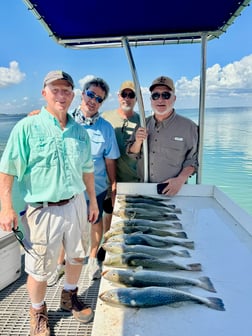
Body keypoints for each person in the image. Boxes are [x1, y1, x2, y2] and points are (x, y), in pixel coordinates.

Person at [0, 70, 99, 336]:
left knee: (77, 255)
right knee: (40, 268)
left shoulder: (80, 132)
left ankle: (69, 295)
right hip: (43, 210)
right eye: (55, 89)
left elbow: (87, 169)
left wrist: (92, 202)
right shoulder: (27, 127)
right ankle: (38, 311)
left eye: (66, 90)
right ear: (44, 93)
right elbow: (7, 169)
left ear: (73, 95)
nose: (61, 95)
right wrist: (6, 206)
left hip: (77, 203)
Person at [72, 76, 120, 280]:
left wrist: (113, 185)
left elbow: (110, 161)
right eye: (90, 94)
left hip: (97, 187)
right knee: (69, 227)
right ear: (82, 94)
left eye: (99, 99)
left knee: (95, 222)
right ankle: (60, 264)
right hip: (67, 189)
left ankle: (92, 260)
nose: (93, 100)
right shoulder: (64, 120)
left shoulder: (106, 128)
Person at [126, 75, 198, 195]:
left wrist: (180, 180)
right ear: (151, 100)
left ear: (174, 98)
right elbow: (132, 155)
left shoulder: (189, 127)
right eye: (156, 95)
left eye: (166, 95)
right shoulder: (143, 124)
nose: (160, 100)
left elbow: (193, 161)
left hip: (174, 191)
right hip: (144, 190)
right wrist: (138, 142)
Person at [101, 80, 140, 234]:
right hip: (108, 180)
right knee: (109, 214)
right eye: (124, 94)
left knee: (131, 217)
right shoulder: (105, 117)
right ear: (118, 96)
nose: (127, 98)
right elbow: (83, 120)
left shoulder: (142, 120)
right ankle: (106, 244)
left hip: (133, 179)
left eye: (131, 95)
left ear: (136, 99)